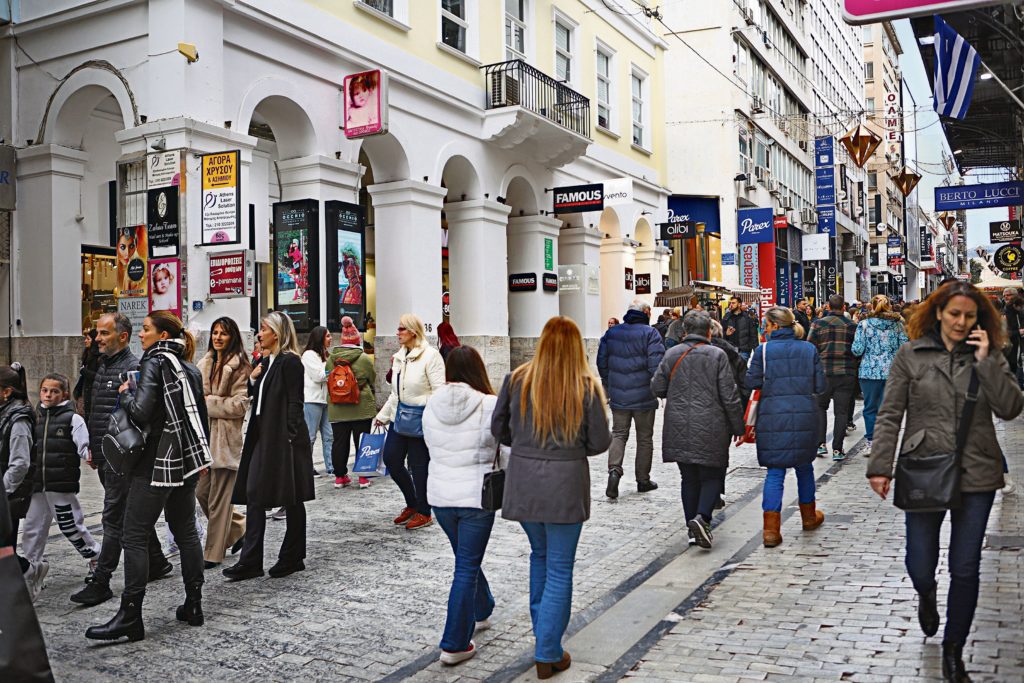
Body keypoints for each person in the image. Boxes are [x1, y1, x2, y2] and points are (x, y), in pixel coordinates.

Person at [867, 281, 1023, 682]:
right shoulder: (910, 354)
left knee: (966, 566)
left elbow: (1009, 408)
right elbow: (889, 413)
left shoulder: (989, 353)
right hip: (924, 466)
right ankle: (926, 593)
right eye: (954, 314)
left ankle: (954, 651)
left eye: (969, 315)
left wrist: (988, 360)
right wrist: (880, 465)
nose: (961, 322)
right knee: (921, 563)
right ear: (938, 313)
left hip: (977, 471)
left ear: (980, 319)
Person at [492, 316, 611, 679]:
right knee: (560, 567)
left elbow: (498, 428)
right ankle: (548, 649)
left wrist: (527, 447)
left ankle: (543, 635)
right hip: (565, 483)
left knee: (539, 557)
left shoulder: (518, 380)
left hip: (525, 481)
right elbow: (600, 442)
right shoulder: (585, 387)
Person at [86, 311, 210, 643]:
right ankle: (193, 604)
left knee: (134, 534)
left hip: (155, 464)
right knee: (185, 532)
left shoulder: (154, 363)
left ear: (162, 335)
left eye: (146, 329)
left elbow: (140, 412)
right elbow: (200, 415)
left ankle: (130, 616)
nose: (142, 335)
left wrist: (126, 392)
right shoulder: (190, 369)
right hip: (185, 462)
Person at [71, 313, 171, 607]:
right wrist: (92, 445)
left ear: (122, 336)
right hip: (106, 454)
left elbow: (141, 416)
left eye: (104, 333)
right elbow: (96, 409)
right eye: (98, 333)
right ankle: (157, 561)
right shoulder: (102, 365)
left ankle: (102, 580)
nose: (97, 338)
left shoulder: (134, 369)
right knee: (128, 512)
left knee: (112, 518)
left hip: (124, 458)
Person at [423, 346, 504, 666]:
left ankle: (482, 608)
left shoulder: (431, 405)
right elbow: (503, 447)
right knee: (466, 565)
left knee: (465, 557)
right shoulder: (489, 404)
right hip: (476, 497)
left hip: (441, 498)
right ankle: (455, 642)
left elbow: (430, 445)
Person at [225, 312, 315, 581]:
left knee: (292, 497)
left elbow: (295, 402)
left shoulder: (290, 363)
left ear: (276, 333)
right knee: (255, 494)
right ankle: (251, 560)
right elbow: (259, 398)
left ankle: (293, 556)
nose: (259, 333)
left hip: (285, 438)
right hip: (263, 435)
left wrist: (289, 434)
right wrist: (253, 380)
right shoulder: (266, 362)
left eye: (264, 329)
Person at [651, 311, 744, 549]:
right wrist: (738, 426)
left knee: (688, 477)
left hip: (679, 423)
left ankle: (692, 529)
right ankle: (702, 517)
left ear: (684, 331)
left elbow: (657, 386)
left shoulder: (672, 353)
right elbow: (729, 395)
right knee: (712, 473)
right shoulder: (717, 355)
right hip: (713, 423)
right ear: (709, 331)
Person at [746, 307, 826, 548]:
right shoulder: (808, 349)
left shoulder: (764, 351)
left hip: (773, 416)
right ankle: (809, 517)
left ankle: (771, 530)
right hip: (804, 415)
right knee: (804, 467)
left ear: (772, 325)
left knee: (775, 471)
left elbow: (751, 381)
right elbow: (820, 385)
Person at [20, 374, 100, 600]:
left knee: (71, 525)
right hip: (36, 485)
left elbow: (84, 445)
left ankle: (95, 557)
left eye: (54, 391)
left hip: (61, 484)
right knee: (32, 528)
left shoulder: (72, 419)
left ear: (64, 393)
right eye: (45, 390)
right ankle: (33, 567)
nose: (48, 395)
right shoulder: (35, 417)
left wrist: (91, 457)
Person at [375, 314, 446, 531]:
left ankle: (424, 511)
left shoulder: (431, 356)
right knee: (392, 460)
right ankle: (412, 502)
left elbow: (440, 391)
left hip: (420, 420)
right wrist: (383, 415)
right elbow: (396, 393)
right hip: (399, 418)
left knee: (419, 467)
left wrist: (423, 411)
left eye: (401, 329)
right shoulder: (399, 357)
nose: (397, 333)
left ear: (413, 332)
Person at [596, 300, 665, 499]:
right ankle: (643, 480)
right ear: (645, 312)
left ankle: (614, 471)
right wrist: (657, 388)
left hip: (619, 395)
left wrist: (610, 383)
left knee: (618, 434)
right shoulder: (650, 333)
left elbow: (602, 362)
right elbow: (656, 366)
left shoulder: (612, 333)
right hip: (644, 395)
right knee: (644, 438)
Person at [196, 317, 250, 569]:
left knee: (219, 500)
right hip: (204, 438)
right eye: (215, 332)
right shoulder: (203, 364)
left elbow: (239, 406)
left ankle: (213, 553)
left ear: (233, 337)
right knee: (202, 492)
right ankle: (240, 527)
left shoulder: (239, 366)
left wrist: (209, 402)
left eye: (224, 334)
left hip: (226, 440)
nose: (218, 337)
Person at [851, 295, 908, 451]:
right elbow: (904, 347)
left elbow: (857, 350)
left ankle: (871, 441)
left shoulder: (863, 325)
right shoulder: (898, 325)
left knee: (870, 408)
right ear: (889, 306)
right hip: (892, 371)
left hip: (869, 371)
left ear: (872, 306)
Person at [326, 318, 376, 489]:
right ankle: (363, 477)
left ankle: (340, 477)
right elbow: (372, 378)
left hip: (337, 406)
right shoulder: (363, 358)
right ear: (357, 340)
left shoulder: (332, 358)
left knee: (339, 442)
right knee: (362, 441)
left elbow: (327, 378)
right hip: (360, 406)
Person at [808, 295, 858, 461]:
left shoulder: (817, 323)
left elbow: (810, 346)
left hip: (823, 372)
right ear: (843, 307)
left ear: (828, 306)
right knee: (841, 412)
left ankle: (820, 444)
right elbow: (857, 349)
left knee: (820, 408)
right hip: (846, 372)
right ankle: (837, 449)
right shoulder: (852, 326)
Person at [0, 363, 35, 575]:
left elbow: (20, 463)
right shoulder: (4, 412)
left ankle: (29, 571)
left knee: (5, 553)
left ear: (6, 392)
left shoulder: (18, 419)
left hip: (8, 497)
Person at [301, 326, 334, 476]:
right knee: (310, 436)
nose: (330, 338)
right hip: (312, 400)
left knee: (329, 435)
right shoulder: (309, 355)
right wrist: (334, 371)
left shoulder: (326, 355)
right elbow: (319, 376)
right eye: (327, 336)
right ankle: (305, 467)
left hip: (326, 400)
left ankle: (331, 466)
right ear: (319, 338)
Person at [73, 328, 100, 419]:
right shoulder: (87, 354)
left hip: (93, 393)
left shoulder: (99, 357)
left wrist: (84, 371)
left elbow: (98, 376)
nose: (85, 341)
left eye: (88, 339)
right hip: (85, 391)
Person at [1001, 287, 1021, 376]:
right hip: (1011, 344)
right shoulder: (1006, 308)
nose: (1005, 297)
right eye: (1004, 295)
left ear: (1016, 295)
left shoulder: (1019, 308)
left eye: (1008, 295)